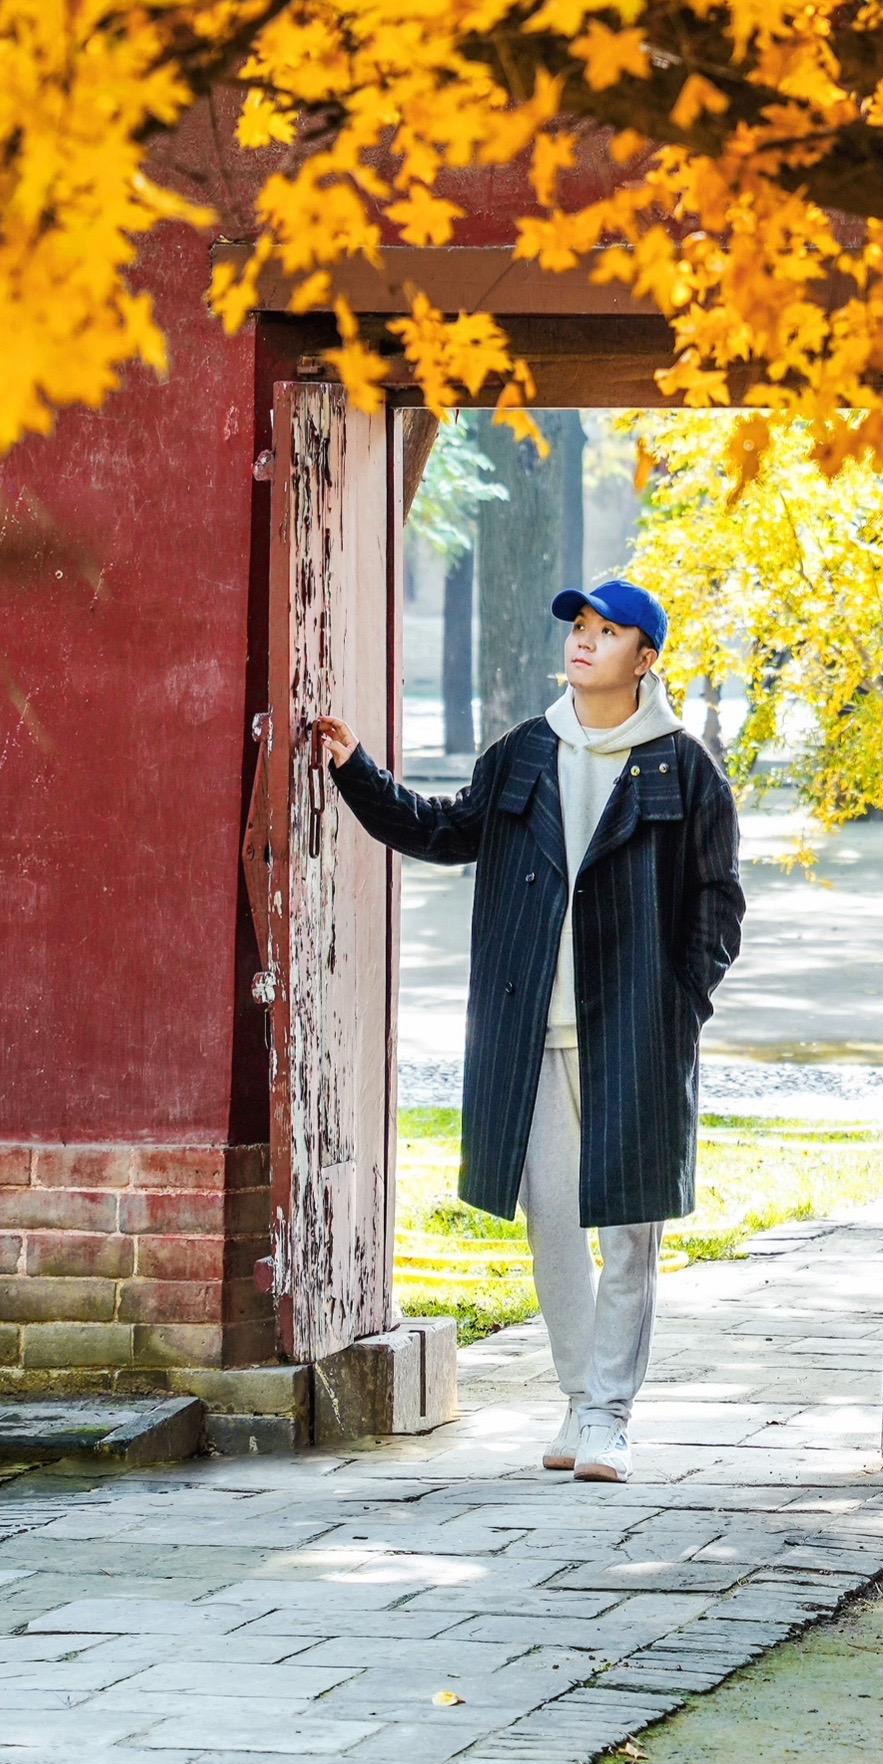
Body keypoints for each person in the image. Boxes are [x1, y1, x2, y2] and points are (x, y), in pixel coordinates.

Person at [316, 579, 743, 1483]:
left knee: (628, 1229)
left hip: (634, 1035)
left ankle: (609, 1417)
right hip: (533, 1035)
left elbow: (718, 903)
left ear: (647, 657)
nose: (584, 643)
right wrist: (356, 769)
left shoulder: (685, 767)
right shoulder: (522, 754)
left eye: (607, 631)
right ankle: (583, 1399)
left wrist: (680, 1002)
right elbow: (442, 830)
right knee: (552, 1220)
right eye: (578, 629)